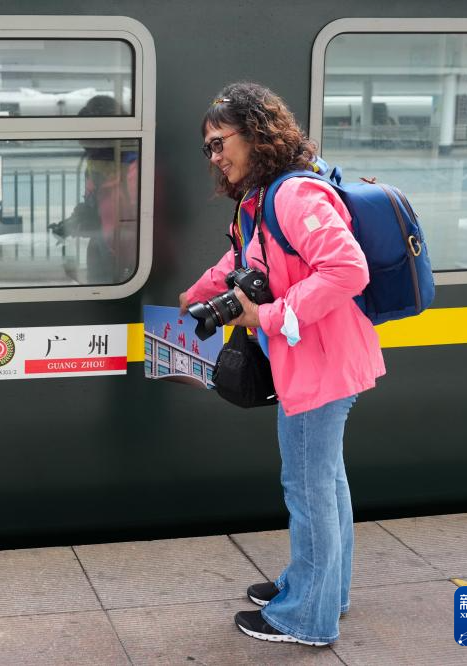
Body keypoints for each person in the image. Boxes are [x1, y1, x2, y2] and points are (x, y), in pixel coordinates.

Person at [179, 82, 385, 646]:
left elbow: (348, 270)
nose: (214, 157)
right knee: (326, 484)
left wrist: (268, 317)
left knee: (309, 489)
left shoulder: (293, 195)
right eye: (208, 148)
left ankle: (305, 618)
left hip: (319, 365)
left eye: (219, 142)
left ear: (255, 134)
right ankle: (324, 591)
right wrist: (199, 292)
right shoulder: (265, 196)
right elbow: (244, 256)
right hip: (318, 360)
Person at [51, 94, 139, 284]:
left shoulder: (135, 171)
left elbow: (141, 226)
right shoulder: (95, 168)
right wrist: (74, 222)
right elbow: (95, 207)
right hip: (103, 251)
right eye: (85, 147)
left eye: (92, 147)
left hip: (131, 265)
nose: (89, 154)